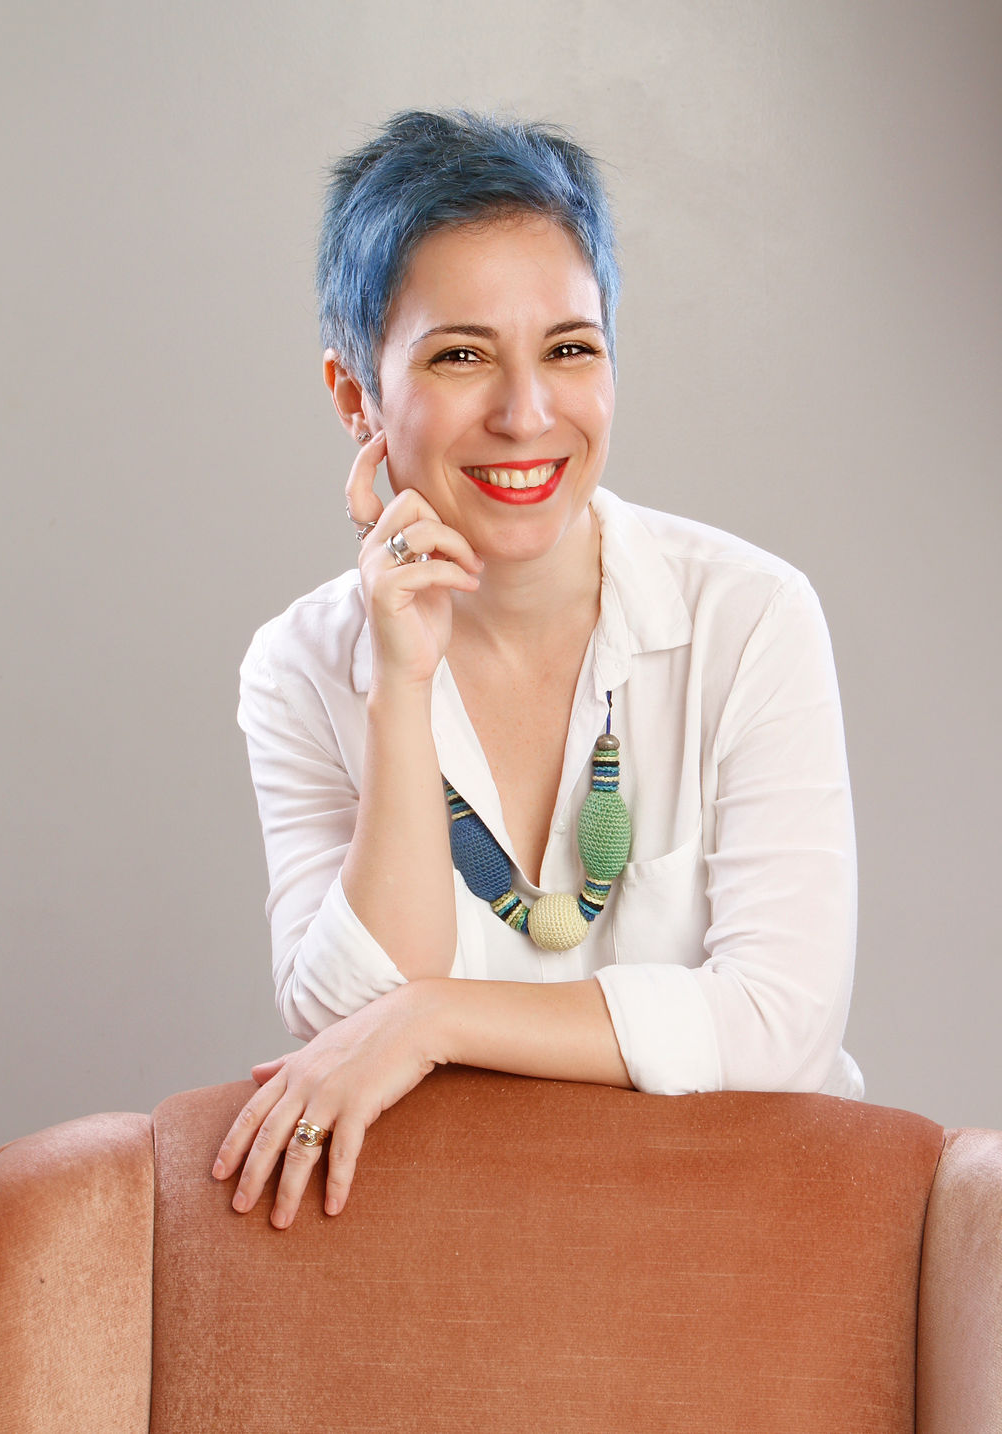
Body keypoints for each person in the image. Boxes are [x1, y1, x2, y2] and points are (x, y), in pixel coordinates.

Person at [212, 109, 862, 1228]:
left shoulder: (750, 617)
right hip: (455, 1245)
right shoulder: (299, 667)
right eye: (461, 355)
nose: (527, 414)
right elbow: (344, 1024)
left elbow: (782, 1026)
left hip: (737, 1240)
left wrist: (435, 1022)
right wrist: (401, 684)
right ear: (356, 395)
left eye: (570, 349)